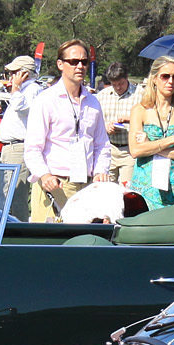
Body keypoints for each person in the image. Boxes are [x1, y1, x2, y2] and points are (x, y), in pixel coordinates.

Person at [24, 39, 108, 221]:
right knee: (50, 243)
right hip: (55, 184)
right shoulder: (45, 100)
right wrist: (45, 175)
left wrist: (101, 170)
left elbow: (102, 144)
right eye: (74, 62)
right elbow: (32, 148)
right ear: (60, 64)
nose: (80, 66)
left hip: (86, 184)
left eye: (84, 62)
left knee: (81, 243)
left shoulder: (93, 102)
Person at [128, 54, 174, 209]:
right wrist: (171, 141)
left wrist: (152, 147)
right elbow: (136, 150)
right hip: (146, 188)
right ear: (154, 78)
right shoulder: (140, 110)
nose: (171, 81)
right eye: (165, 76)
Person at [99, 63, 136, 184]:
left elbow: (149, 118)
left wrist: (131, 119)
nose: (118, 87)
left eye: (121, 84)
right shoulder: (102, 96)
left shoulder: (140, 94)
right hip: (108, 149)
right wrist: (105, 127)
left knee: (127, 189)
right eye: (114, 85)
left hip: (129, 150)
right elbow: (95, 121)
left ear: (127, 78)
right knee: (105, 189)